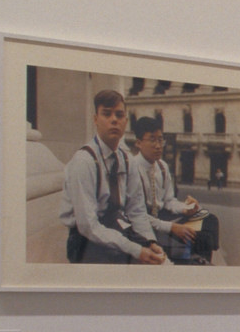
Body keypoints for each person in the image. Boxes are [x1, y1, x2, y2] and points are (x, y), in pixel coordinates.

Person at [58, 89, 166, 265]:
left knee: (155, 261)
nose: (114, 119)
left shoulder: (126, 159)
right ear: (95, 119)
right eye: (106, 114)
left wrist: (149, 241)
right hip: (85, 242)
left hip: (115, 228)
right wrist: (135, 250)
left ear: (125, 121)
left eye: (119, 114)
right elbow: (88, 226)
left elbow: (136, 210)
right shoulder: (84, 162)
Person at [129, 117, 216, 264]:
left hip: (163, 217)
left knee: (209, 219)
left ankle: (202, 260)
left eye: (161, 140)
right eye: (152, 140)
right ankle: (186, 261)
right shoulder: (132, 169)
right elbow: (137, 215)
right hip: (143, 225)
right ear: (138, 143)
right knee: (186, 234)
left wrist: (185, 208)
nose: (158, 146)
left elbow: (169, 201)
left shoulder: (162, 167)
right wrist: (172, 227)